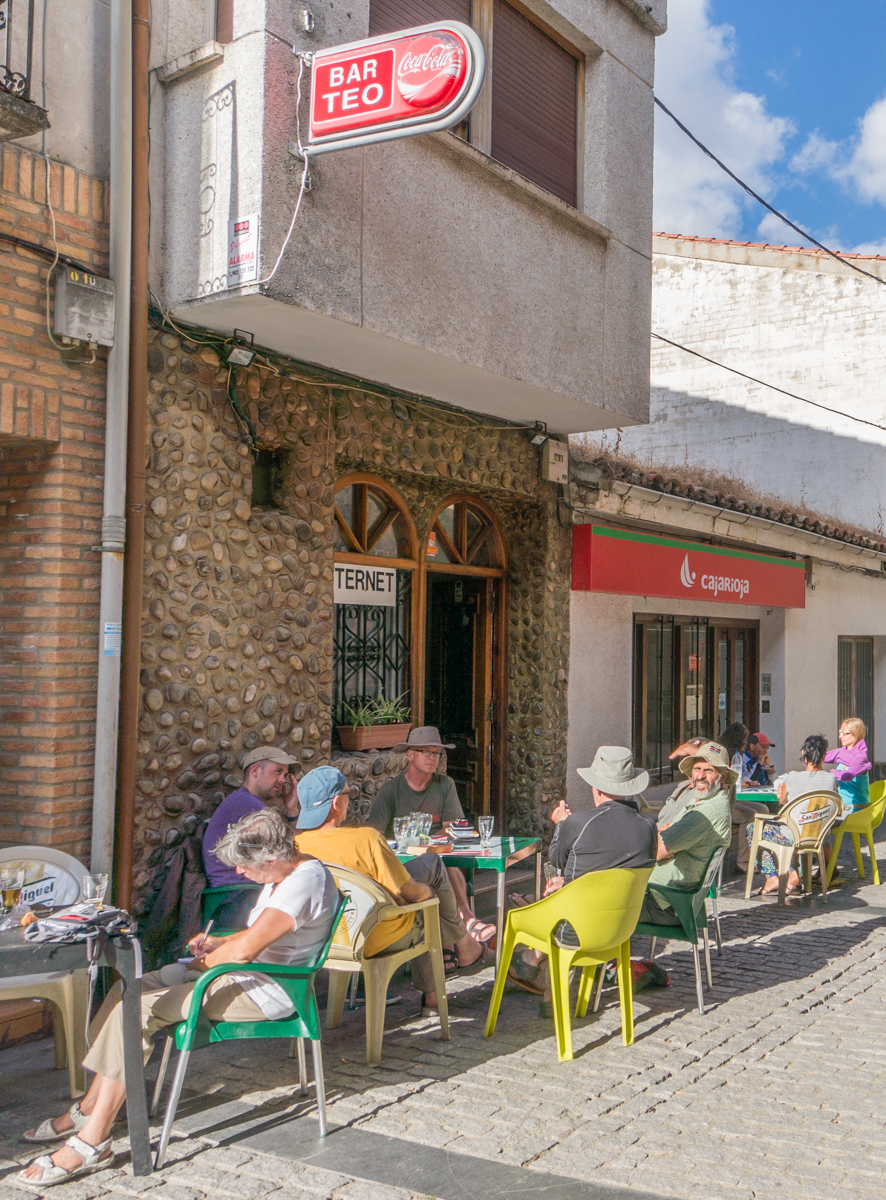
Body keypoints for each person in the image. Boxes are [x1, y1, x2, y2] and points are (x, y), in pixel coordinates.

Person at [19, 810, 339, 1190]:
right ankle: (91, 1106)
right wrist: (219, 942)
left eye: (243, 867)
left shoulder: (303, 882)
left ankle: (93, 1141)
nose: (238, 874)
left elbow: (248, 950)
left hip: (266, 990)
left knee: (135, 1012)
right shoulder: (283, 874)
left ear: (271, 858)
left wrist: (209, 960)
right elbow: (260, 934)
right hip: (240, 973)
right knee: (126, 989)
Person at [295, 765, 484, 1013]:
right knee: (427, 906)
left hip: (326, 938)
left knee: (429, 866)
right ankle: (437, 993)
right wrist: (427, 893)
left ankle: (463, 945)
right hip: (377, 936)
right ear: (335, 804)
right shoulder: (366, 839)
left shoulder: (296, 847)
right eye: (346, 795)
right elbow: (410, 894)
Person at [506, 747, 658, 1008]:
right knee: (562, 894)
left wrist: (562, 824)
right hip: (619, 930)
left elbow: (556, 859)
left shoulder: (578, 824)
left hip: (575, 930)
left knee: (532, 910)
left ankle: (537, 971)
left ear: (596, 789)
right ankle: (545, 982)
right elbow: (614, 869)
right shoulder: (648, 827)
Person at [367, 726, 495, 945]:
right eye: (426, 752)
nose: (432, 758)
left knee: (444, 861)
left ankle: (466, 919)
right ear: (410, 755)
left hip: (436, 856)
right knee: (439, 862)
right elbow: (374, 835)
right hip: (403, 864)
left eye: (436, 753)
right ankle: (458, 933)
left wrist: (427, 841)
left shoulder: (445, 785)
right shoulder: (391, 790)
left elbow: (452, 827)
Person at [201, 746, 301, 929]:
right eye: (277, 771)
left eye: (285, 775)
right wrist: (292, 811)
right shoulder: (247, 803)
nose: (282, 780)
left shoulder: (244, 801)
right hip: (237, 897)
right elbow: (293, 850)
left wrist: (291, 809)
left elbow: (290, 845)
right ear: (255, 770)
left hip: (236, 895)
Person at [639, 741, 733, 927]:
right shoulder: (705, 803)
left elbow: (654, 851)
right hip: (672, 898)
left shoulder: (706, 812)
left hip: (663, 903)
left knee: (602, 902)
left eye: (709, 770)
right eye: (697, 769)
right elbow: (663, 838)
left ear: (723, 778)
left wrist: (662, 842)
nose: (701, 776)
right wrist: (664, 840)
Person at [748, 733, 837, 896]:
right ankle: (798, 873)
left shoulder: (792, 777)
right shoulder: (831, 779)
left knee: (753, 829)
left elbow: (782, 803)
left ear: (803, 755)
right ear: (824, 756)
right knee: (799, 824)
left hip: (793, 835)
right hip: (818, 834)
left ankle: (773, 876)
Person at [720, 722, 770, 874]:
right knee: (749, 816)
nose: (745, 743)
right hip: (721, 800)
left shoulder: (736, 756)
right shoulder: (725, 756)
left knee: (763, 809)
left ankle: (757, 856)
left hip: (732, 796)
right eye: (745, 739)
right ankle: (743, 862)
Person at [824, 717, 871, 813]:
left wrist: (831, 773)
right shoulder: (842, 752)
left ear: (856, 734)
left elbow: (848, 775)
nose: (840, 736)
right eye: (840, 732)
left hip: (857, 809)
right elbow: (821, 757)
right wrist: (808, 755)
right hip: (843, 808)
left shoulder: (860, 756)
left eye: (844, 733)